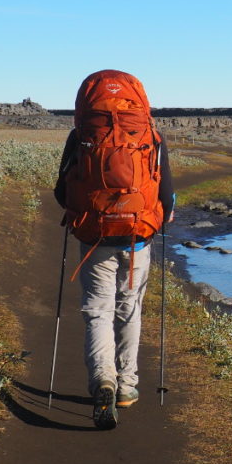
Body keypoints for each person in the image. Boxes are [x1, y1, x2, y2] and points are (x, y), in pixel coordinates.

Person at [54, 70, 174, 429]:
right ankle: (127, 386)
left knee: (97, 312)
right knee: (129, 308)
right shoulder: (151, 135)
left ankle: (103, 380)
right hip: (138, 238)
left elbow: (62, 191)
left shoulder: (81, 136)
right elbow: (165, 197)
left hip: (95, 239)